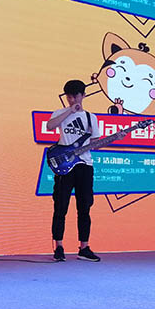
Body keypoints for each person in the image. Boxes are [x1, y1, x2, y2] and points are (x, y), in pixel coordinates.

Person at [47, 80, 101, 262]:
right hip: (64, 165)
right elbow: (50, 126)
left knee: (84, 207)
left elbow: (95, 143)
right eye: (69, 96)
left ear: (83, 95)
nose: (72, 99)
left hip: (85, 165)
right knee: (60, 206)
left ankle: (84, 248)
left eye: (75, 96)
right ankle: (59, 247)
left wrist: (114, 138)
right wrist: (70, 110)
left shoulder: (90, 118)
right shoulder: (60, 113)